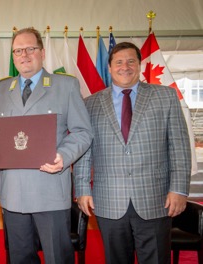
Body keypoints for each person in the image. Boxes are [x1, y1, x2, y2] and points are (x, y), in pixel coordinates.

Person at [74, 42, 192, 264]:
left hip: (156, 200)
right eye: (118, 62)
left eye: (131, 61)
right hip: (108, 200)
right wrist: (81, 189)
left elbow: (179, 146)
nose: (125, 67)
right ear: (109, 68)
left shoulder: (165, 97)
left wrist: (178, 189)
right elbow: (84, 150)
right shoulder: (90, 104)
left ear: (139, 65)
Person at [0, 27, 93, 264]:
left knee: (58, 257)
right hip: (13, 192)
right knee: (20, 258)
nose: (24, 55)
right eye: (18, 50)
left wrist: (63, 156)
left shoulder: (65, 85)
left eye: (30, 49)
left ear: (42, 52)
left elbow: (82, 131)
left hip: (49, 189)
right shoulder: (1, 89)